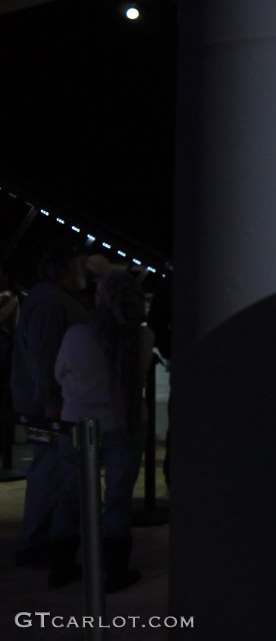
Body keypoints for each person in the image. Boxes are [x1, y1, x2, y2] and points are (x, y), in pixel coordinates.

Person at [49, 271, 154, 591]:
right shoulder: (143, 337)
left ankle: (62, 566)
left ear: (101, 300)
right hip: (125, 424)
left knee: (72, 495)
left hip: (78, 426)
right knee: (118, 499)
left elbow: (59, 375)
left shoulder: (77, 336)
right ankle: (115, 570)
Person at [10, 237, 90, 568]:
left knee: (51, 468)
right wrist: (51, 405)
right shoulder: (51, 302)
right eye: (81, 263)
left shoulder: (49, 298)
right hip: (48, 409)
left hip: (49, 405)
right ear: (68, 267)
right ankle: (36, 542)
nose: (85, 269)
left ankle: (42, 539)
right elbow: (44, 358)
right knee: (49, 469)